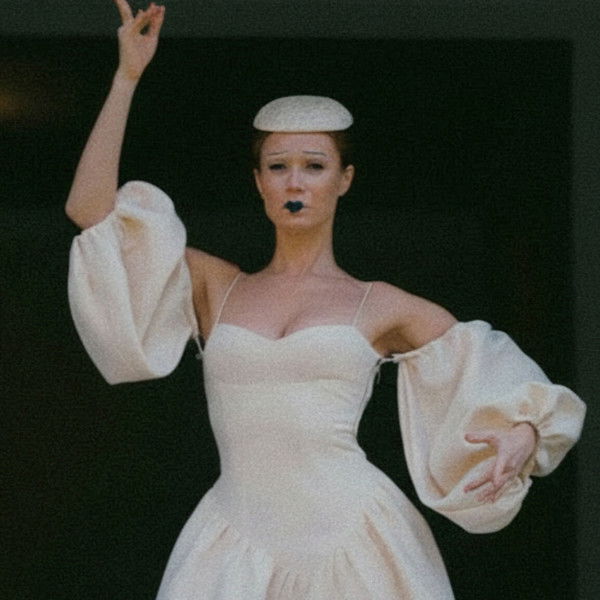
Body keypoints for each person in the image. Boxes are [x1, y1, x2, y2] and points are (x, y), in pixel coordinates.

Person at [65, 2, 586, 598]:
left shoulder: (379, 304)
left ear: (344, 179)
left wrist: (525, 433)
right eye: (278, 166)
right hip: (234, 538)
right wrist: (126, 77)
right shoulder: (216, 285)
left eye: (314, 166)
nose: (295, 182)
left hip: (354, 537)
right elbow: (89, 211)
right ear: (259, 181)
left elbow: (497, 373)